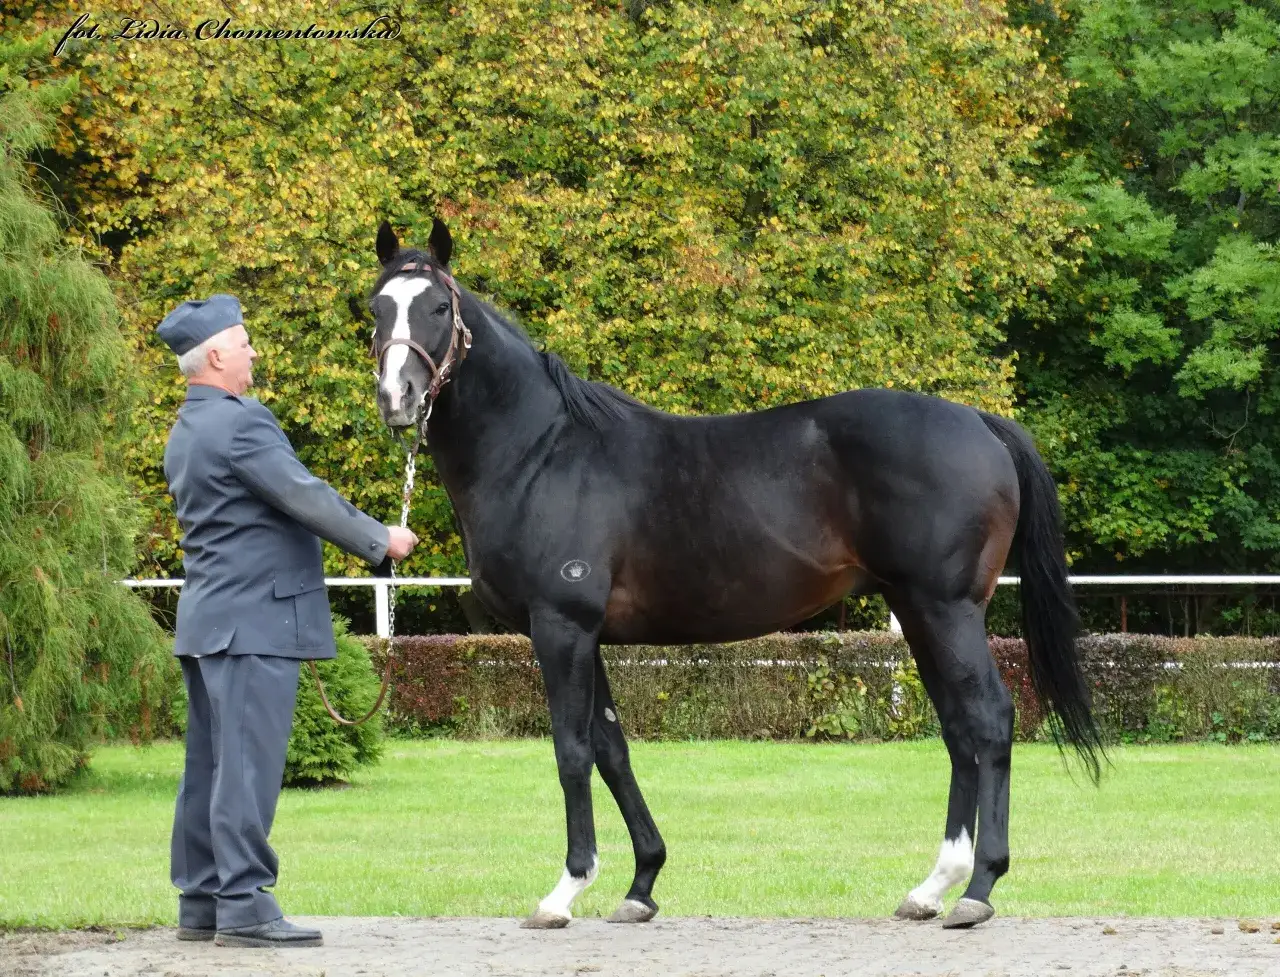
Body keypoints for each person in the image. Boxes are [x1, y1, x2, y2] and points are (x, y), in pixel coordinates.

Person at [157, 293, 418, 948]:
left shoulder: (188, 428)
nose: (253, 351)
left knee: (211, 766)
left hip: (211, 622)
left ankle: (204, 899)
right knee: (245, 765)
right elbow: (303, 494)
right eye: (244, 341)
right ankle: (244, 901)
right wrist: (378, 538)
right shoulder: (242, 423)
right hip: (253, 623)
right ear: (215, 353)